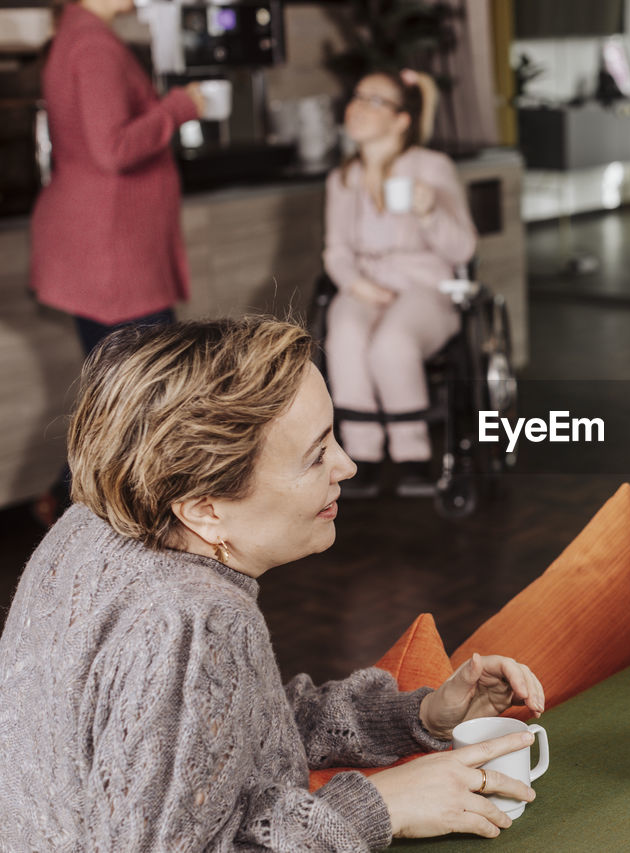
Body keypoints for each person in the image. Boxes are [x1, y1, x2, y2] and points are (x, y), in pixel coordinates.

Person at [0, 317, 546, 849]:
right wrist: (380, 806)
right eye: (316, 456)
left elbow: (218, 736)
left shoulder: (89, 524)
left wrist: (418, 716)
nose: (348, 466)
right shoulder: (194, 618)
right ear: (205, 510)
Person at [30, 0, 207, 525]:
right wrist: (180, 106)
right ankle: (79, 503)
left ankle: (70, 495)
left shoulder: (79, 35)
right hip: (111, 250)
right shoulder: (93, 44)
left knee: (120, 383)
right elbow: (113, 148)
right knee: (149, 378)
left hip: (101, 243)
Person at [323, 68, 477, 499]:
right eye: (357, 96)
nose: (357, 107)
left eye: (374, 100)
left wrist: (430, 213)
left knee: (392, 343)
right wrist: (356, 285)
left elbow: (462, 249)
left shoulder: (432, 167)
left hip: (425, 286)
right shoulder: (342, 178)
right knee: (347, 336)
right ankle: (362, 453)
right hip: (365, 284)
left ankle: (411, 453)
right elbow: (335, 250)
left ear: (402, 119)